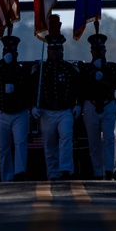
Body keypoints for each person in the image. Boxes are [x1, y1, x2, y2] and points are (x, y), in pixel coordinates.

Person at [0, 35, 36, 182]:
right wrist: (3, 64)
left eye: (13, 52)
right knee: (3, 147)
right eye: (8, 51)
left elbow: (28, 89)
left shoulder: (22, 70)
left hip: (20, 111)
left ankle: (20, 172)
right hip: (1, 111)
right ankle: (6, 176)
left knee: (20, 143)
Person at [78, 32, 116, 179]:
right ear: (91, 51)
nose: (98, 53)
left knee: (109, 138)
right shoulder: (85, 69)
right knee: (94, 142)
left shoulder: (112, 67)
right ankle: (98, 172)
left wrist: (104, 76)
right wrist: (93, 73)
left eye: (101, 50)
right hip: (91, 105)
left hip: (108, 104)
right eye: (95, 50)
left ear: (105, 50)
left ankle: (108, 170)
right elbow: (81, 88)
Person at [35, 33, 79, 180]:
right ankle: (53, 172)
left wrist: (77, 104)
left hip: (65, 111)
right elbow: (31, 89)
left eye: (57, 49)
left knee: (66, 137)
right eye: (52, 49)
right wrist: (33, 106)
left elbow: (78, 88)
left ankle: (66, 169)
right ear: (47, 50)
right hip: (47, 112)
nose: (55, 52)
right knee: (49, 143)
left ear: (62, 50)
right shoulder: (40, 70)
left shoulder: (70, 69)